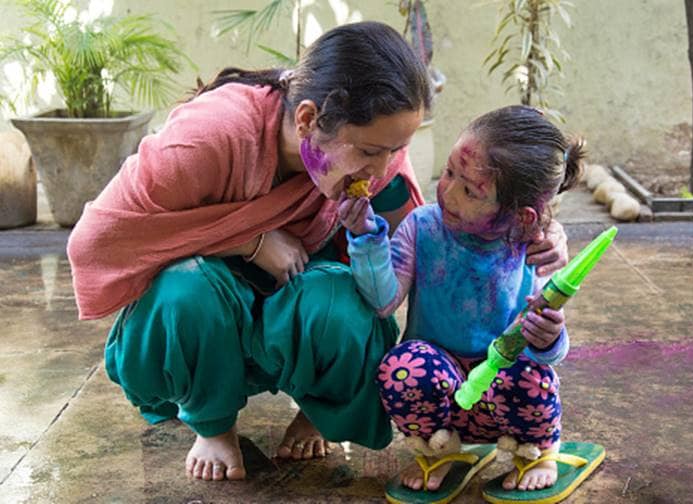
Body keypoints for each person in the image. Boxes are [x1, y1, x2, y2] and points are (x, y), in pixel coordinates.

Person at [67, 22, 570, 482]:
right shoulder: (207, 139)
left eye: (397, 149)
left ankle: (315, 411)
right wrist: (248, 239)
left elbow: (433, 244)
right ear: (308, 119)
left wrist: (534, 233)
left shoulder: (382, 163)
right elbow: (97, 241)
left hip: (289, 317)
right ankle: (213, 424)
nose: (382, 169)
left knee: (346, 303)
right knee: (185, 289)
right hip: (206, 325)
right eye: (372, 151)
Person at [338, 105, 582, 496]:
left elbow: (550, 355)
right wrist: (366, 237)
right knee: (401, 367)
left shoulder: (532, 249)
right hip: (441, 394)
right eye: (450, 172)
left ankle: (538, 452)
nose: (448, 193)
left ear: (521, 217)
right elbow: (383, 302)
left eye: (470, 190)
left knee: (531, 376)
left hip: (502, 393)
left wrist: (550, 337)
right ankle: (442, 452)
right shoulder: (423, 226)